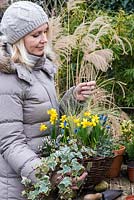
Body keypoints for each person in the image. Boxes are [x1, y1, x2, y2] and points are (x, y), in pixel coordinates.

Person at [0, 1, 96, 199]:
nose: (44, 40)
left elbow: (47, 121)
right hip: (19, 188)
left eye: (45, 32)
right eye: (36, 35)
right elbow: (10, 143)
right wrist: (48, 174)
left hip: (42, 184)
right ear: (17, 40)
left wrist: (72, 99)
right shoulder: (7, 79)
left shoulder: (41, 69)